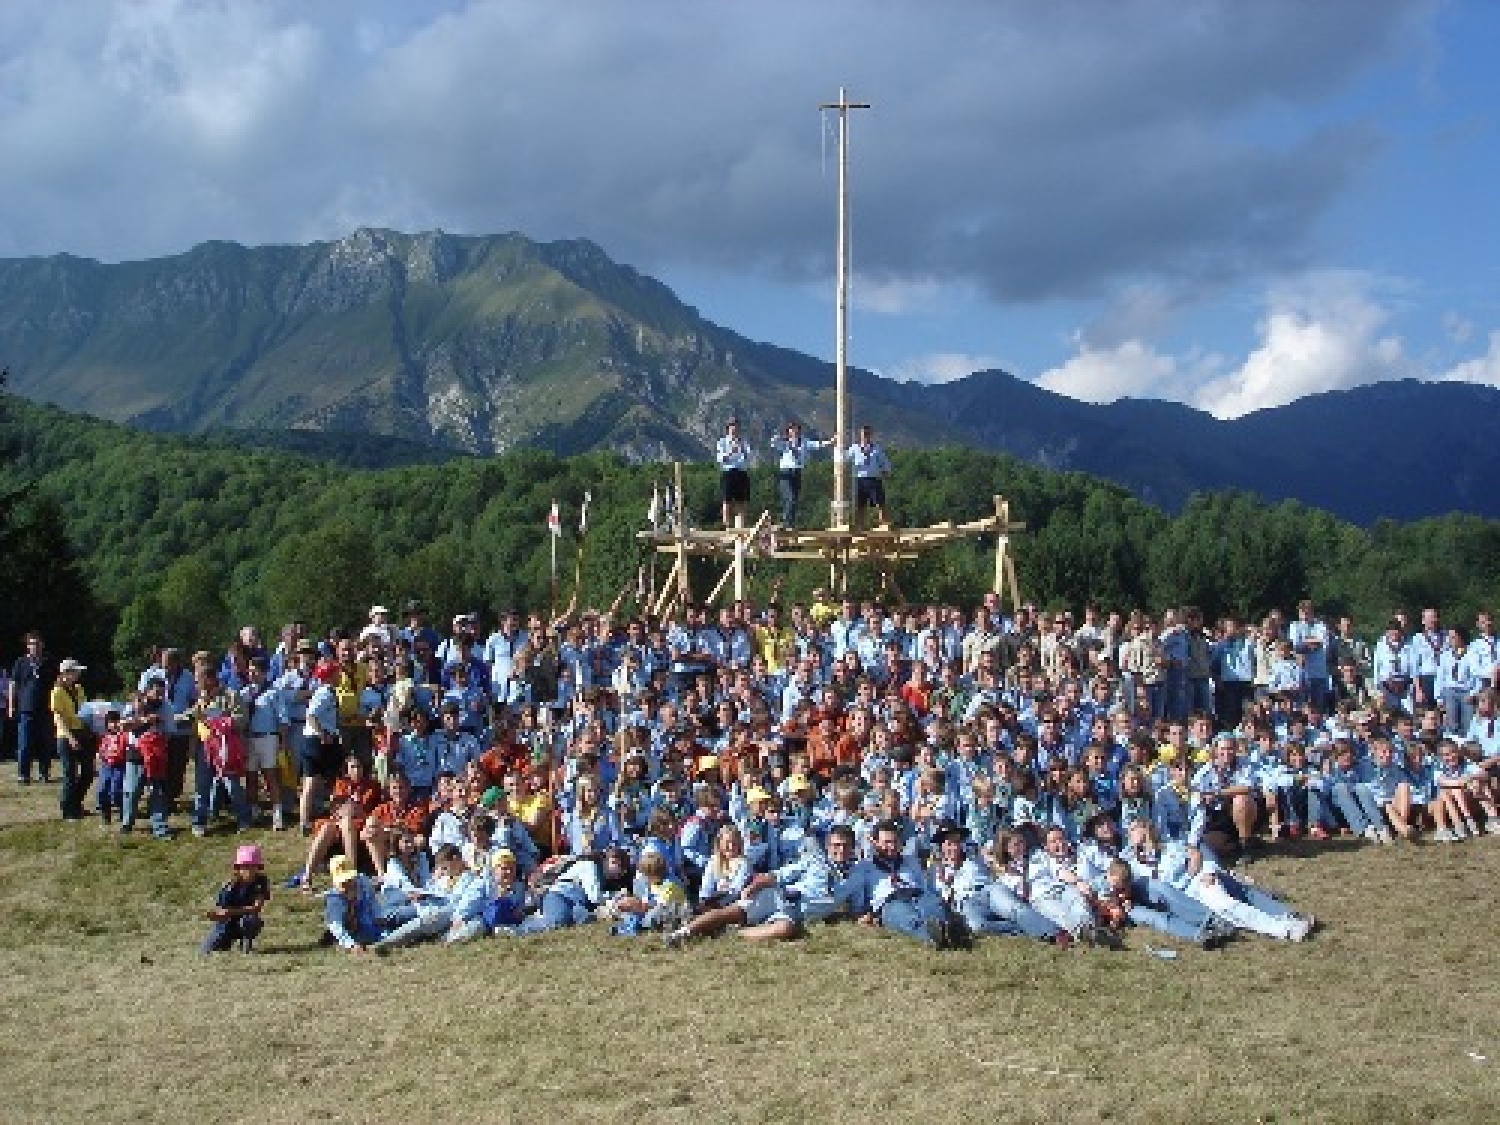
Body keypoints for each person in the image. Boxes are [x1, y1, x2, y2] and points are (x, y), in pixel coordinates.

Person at [201, 844, 270, 954]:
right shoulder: (229, 886)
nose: (249, 870)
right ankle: (225, 940)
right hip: (226, 924)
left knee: (251, 921)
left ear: (258, 867)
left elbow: (257, 908)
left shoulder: (261, 881)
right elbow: (221, 910)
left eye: (253, 866)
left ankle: (246, 942)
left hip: (245, 919)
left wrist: (231, 911)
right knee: (205, 951)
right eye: (245, 866)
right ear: (238, 868)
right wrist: (216, 915)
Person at [51, 657, 94, 821]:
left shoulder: (79, 688)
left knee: (88, 772)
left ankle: (75, 803)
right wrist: (70, 737)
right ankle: (68, 811)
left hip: (82, 732)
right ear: (65, 673)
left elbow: (85, 711)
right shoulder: (57, 692)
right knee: (70, 773)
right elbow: (58, 717)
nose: (77, 675)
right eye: (75, 672)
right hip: (66, 735)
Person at [769, 420, 832, 528]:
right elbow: (773, 443)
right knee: (790, 498)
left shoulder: (804, 441)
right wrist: (777, 436)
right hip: (786, 472)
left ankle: (790, 523)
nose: (795, 431)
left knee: (794, 499)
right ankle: (786, 522)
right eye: (792, 429)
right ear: (788, 431)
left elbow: (817, 444)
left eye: (796, 429)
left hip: (797, 472)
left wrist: (830, 442)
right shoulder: (785, 443)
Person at [10, 632, 51, 784]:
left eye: (37, 643)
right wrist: (11, 705)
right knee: (24, 743)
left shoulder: (47, 662)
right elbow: (13, 684)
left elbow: (56, 683)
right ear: (27, 646)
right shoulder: (20, 662)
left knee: (45, 743)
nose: (34, 647)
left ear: (42, 645)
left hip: (45, 709)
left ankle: (44, 773)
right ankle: (23, 774)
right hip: (25, 709)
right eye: (31, 644)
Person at [846, 424, 892, 529]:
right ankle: (859, 526)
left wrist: (885, 473)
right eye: (864, 434)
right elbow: (844, 457)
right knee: (860, 505)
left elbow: (885, 463)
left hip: (873, 479)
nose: (866, 436)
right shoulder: (854, 448)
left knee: (880, 503)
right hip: (859, 479)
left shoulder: (876, 449)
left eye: (868, 434)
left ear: (871, 435)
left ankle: (884, 524)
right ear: (860, 435)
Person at [715, 418, 752, 528]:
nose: (734, 429)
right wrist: (731, 451)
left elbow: (748, 457)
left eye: (736, 426)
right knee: (727, 501)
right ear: (728, 429)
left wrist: (741, 448)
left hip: (741, 471)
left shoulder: (743, 442)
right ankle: (727, 527)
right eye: (732, 427)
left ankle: (740, 528)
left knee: (741, 502)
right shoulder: (722, 442)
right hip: (728, 472)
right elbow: (720, 459)